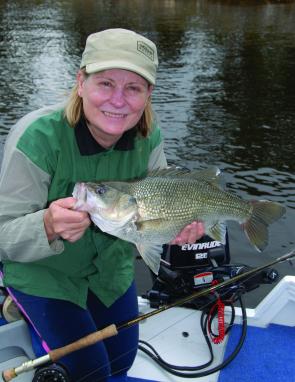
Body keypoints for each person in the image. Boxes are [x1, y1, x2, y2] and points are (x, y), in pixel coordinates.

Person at [0, 28, 204, 381]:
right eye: (105, 83)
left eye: (133, 88)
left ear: (148, 95)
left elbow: (161, 201)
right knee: (89, 369)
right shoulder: (36, 138)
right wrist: (46, 226)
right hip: (46, 276)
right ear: (81, 82)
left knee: (121, 362)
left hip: (111, 271)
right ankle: (18, 305)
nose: (118, 101)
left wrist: (177, 228)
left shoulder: (149, 136)